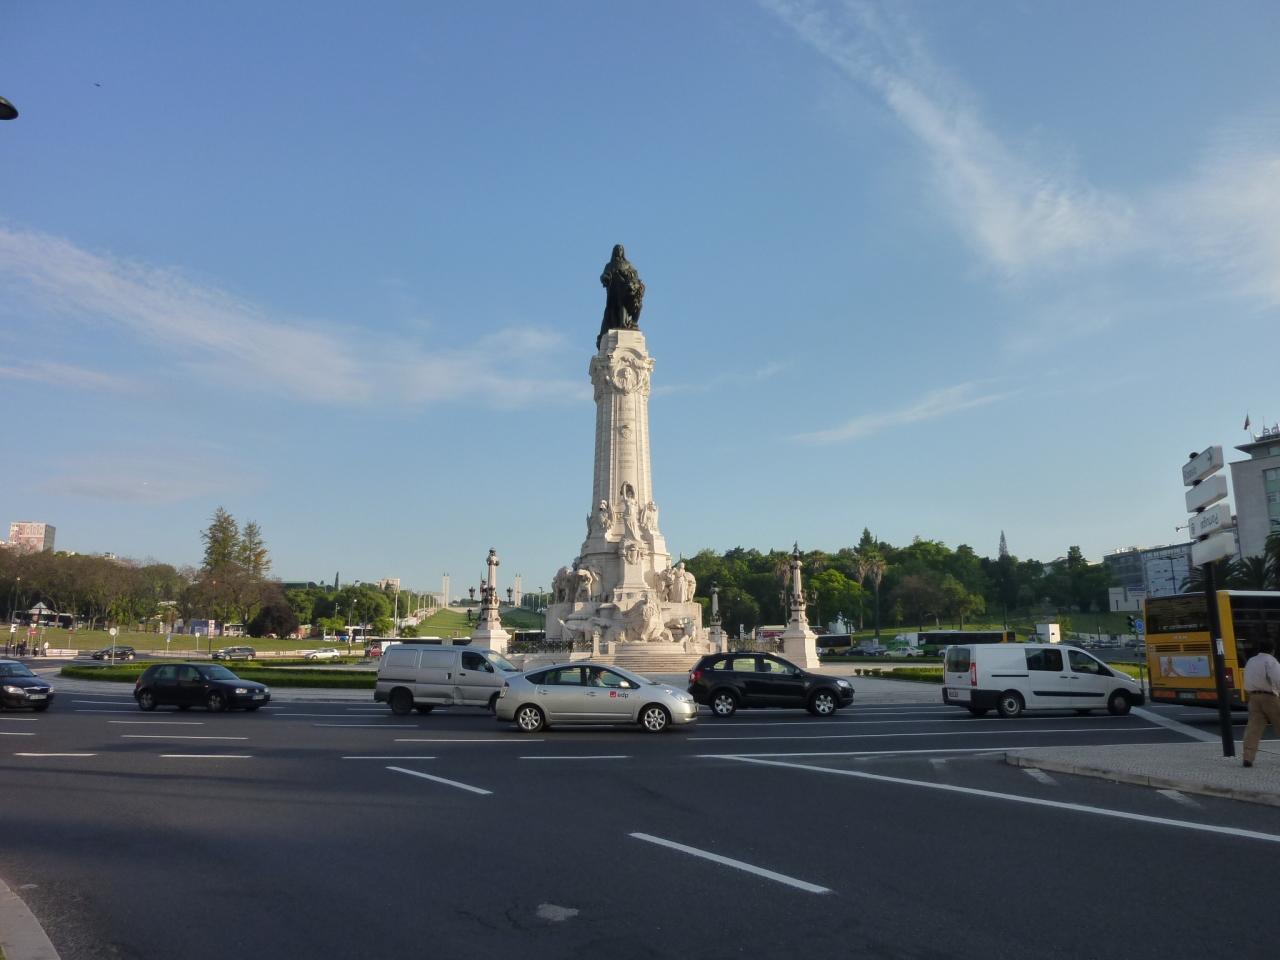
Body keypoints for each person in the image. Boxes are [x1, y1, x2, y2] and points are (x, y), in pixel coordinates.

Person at [1242, 637, 1280, 768]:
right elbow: (1278, 678)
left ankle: (1248, 757)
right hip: (1269, 697)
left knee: (1253, 729)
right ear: (1273, 650)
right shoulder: (1271, 661)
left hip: (1253, 697)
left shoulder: (1251, 661)